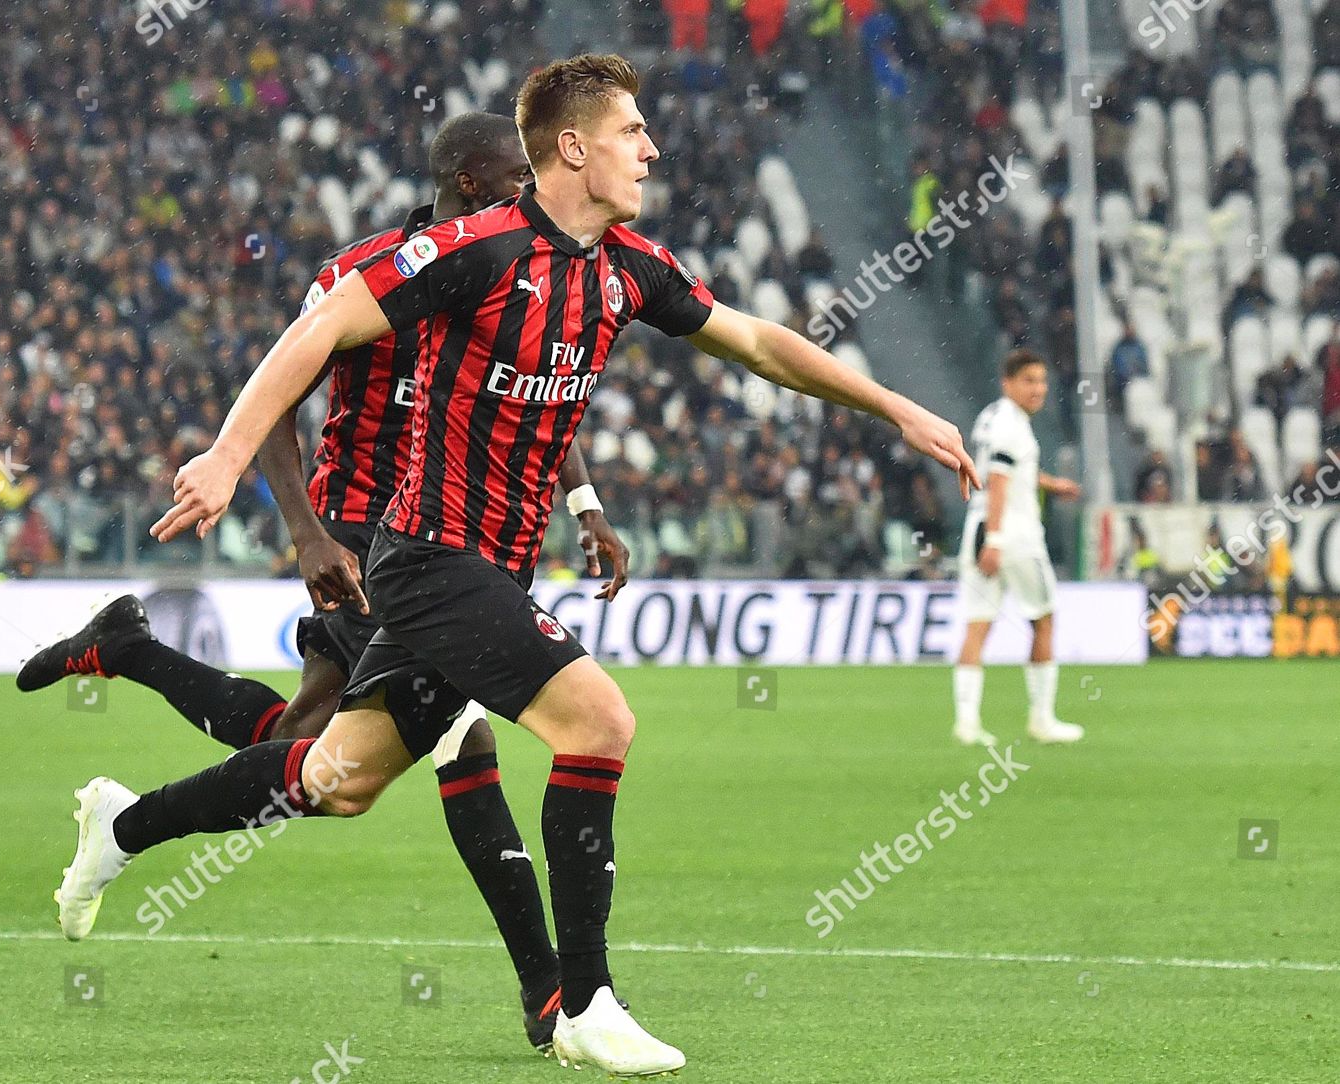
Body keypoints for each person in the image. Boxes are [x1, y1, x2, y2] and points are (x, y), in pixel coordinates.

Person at [59, 55, 977, 1076]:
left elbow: (756, 341)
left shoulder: (629, 266)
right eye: (633, 131)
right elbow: (318, 328)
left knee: (334, 776)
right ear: (573, 147)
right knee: (600, 721)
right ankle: (581, 1000)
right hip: (428, 557)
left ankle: (122, 826)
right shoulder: (472, 250)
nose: (652, 148)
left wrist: (895, 406)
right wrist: (230, 458)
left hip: (494, 568)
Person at [19, 113, 628, 1053]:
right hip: (369, 536)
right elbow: (277, 398)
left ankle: (128, 706)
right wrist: (305, 533)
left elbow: (533, 376)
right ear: (470, 179)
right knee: (460, 742)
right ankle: (553, 997)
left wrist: (583, 499)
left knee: (311, 746)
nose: (533, 191)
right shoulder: (377, 268)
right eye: (515, 176)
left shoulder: (514, 261)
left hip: (452, 537)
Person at [952, 349, 1084, 747]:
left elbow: (1008, 469)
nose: (1038, 389)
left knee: (978, 626)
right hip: (1014, 535)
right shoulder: (1013, 425)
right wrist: (996, 539)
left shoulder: (991, 417)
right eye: (1029, 380)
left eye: (1042, 381)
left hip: (978, 527)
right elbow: (998, 480)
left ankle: (967, 723)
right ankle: (1042, 719)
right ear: (1007, 382)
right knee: (1044, 620)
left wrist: (1049, 484)